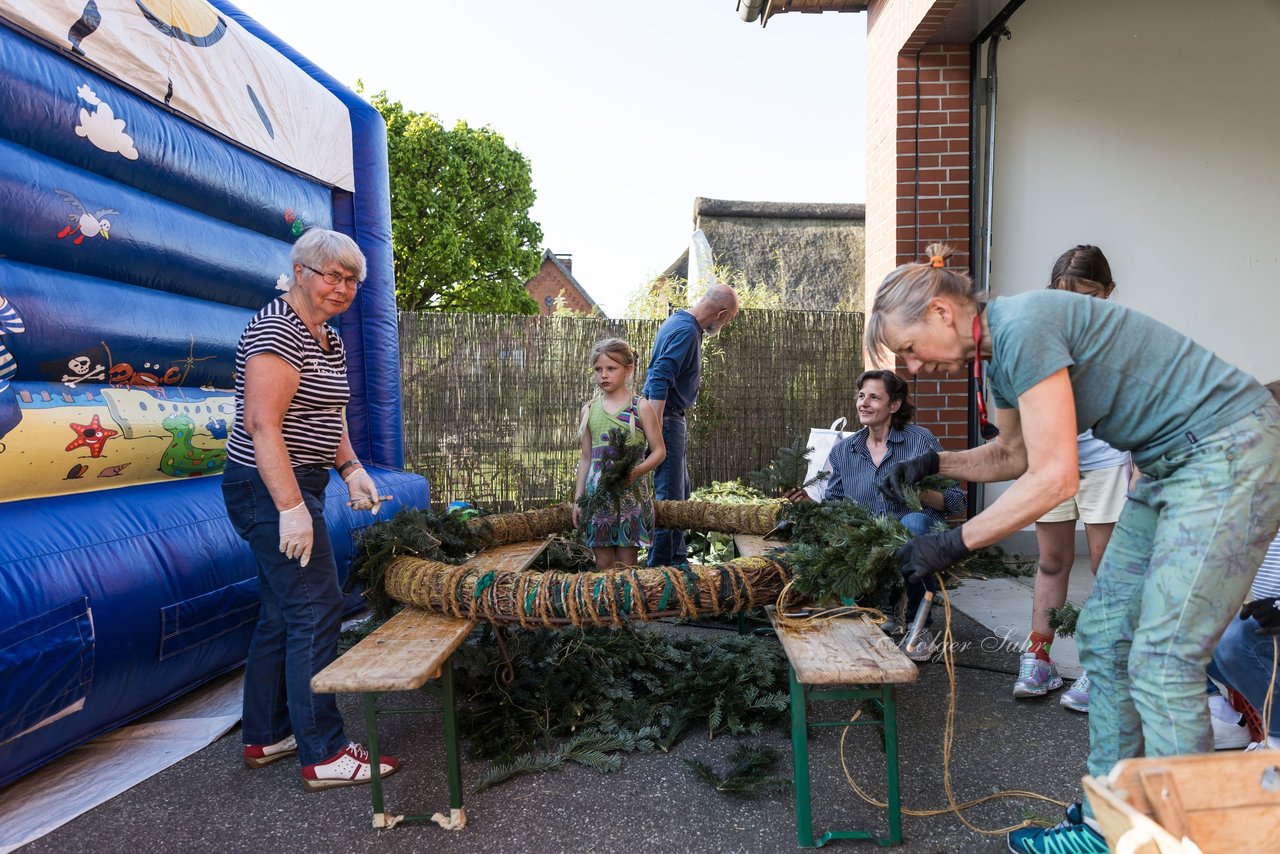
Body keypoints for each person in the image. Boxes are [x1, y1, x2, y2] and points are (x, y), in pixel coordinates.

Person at [866, 244, 1280, 854]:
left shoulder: (1024, 324)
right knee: (1107, 636)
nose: (911, 367)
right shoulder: (1000, 356)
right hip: (1170, 464)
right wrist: (934, 461)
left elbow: (1056, 478)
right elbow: (1014, 455)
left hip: (1226, 450)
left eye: (907, 347)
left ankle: (1193, 840)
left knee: (1164, 658)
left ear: (941, 313)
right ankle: (1103, 825)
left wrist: (953, 544)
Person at [221, 228, 397, 791]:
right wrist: (291, 508)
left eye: (352, 280)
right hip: (269, 486)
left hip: (305, 481)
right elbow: (262, 424)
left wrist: (351, 469)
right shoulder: (278, 330)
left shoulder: (327, 336)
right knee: (316, 607)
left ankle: (267, 734)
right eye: (332, 276)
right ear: (300, 272)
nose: (343, 288)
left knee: (282, 609)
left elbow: (329, 414)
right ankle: (323, 751)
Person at [1015, 246, 1132, 712]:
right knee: (1051, 561)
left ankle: (1100, 667)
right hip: (1052, 461)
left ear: (1109, 292)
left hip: (1106, 460)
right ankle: (1039, 659)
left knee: (1107, 564)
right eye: (1069, 297)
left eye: (1092, 296)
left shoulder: (1124, 338)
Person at [787, 369, 966, 661]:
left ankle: (920, 626)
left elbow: (957, 501)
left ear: (894, 405)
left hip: (917, 539)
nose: (864, 403)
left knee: (915, 522)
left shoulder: (920, 442)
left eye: (874, 397)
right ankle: (884, 604)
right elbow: (835, 507)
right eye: (861, 396)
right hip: (869, 545)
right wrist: (808, 502)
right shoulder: (845, 451)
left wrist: (916, 493)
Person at [642, 284, 740, 567]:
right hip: (668, 420)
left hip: (671, 420)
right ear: (721, 313)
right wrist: (656, 434)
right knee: (671, 503)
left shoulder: (679, 321)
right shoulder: (686, 331)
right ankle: (659, 577)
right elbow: (659, 378)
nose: (724, 323)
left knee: (680, 495)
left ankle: (677, 563)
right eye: (728, 319)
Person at [573, 338, 666, 569]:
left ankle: (629, 605)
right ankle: (605, 605)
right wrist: (578, 499)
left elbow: (659, 451)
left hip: (630, 498)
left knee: (626, 564)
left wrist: (637, 471)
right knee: (603, 563)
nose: (604, 375)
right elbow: (586, 458)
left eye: (611, 368)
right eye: (598, 369)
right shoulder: (589, 410)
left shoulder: (640, 407)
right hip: (598, 497)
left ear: (628, 369)